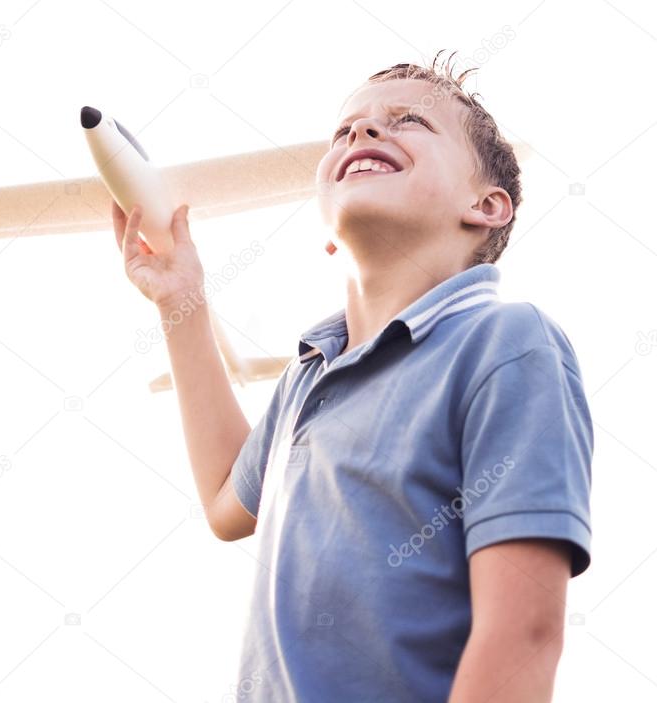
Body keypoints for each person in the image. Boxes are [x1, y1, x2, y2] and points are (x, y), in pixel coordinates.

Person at [110, 50, 592, 702]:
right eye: (345, 130)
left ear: (488, 204)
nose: (363, 133)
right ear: (328, 231)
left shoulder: (505, 344)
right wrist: (180, 304)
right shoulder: (309, 374)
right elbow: (228, 499)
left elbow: (525, 629)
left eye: (408, 121)